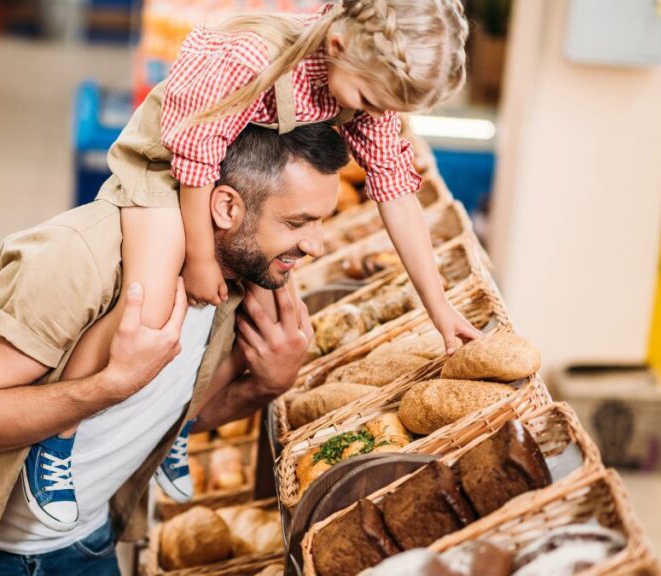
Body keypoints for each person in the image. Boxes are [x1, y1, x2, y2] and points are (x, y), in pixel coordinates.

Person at [26, 0, 483, 528]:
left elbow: (396, 192)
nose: (367, 116)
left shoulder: (359, 86)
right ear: (337, 47)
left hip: (236, 181)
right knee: (149, 303)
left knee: (251, 323)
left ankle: (174, 427)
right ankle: (56, 443)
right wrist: (199, 258)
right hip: (168, 168)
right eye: (364, 100)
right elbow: (194, 158)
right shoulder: (252, 56)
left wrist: (440, 307)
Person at [0, 121, 348, 576]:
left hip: (81, 544)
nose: (316, 246)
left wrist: (266, 384)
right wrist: (108, 384)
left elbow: (165, 417)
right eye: (297, 223)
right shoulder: (76, 259)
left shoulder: (239, 284)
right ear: (225, 207)